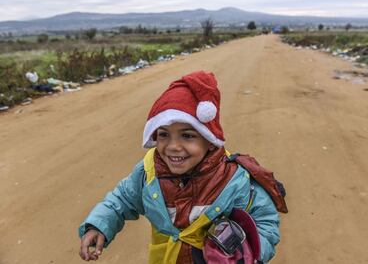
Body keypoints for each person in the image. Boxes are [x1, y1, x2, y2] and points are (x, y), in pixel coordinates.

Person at [78, 71, 283, 263]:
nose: (173, 147)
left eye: (187, 135)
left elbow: (266, 224)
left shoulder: (234, 180)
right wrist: (99, 225)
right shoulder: (149, 173)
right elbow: (121, 200)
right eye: (164, 134)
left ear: (211, 141)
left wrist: (246, 253)